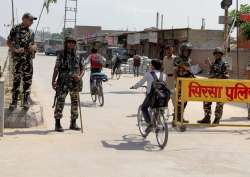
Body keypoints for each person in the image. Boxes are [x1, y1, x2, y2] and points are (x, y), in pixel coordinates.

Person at [52, 37, 85, 132]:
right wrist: (53, 81)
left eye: (73, 43)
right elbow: (56, 68)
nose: (71, 44)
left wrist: (80, 76)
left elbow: (83, 69)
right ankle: (57, 124)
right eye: (69, 42)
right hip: (63, 82)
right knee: (60, 101)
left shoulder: (78, 55)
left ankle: (73, 123)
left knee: (75, 102)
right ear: (66, 43)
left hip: (75, 83)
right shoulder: (61, 54)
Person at [7, 13, 37, 110]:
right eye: (30, 20)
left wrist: (34, 47)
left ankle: (26, 101)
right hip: (18, 60)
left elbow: (34, 44)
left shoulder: (31, 32)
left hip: (28, 60)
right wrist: (15, 50)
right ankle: (14, 101)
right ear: (24, 19)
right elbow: (8, 42)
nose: (32, 22)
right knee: (16, 81)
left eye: (33, 20)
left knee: (27, 81)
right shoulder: (15, 29)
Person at [131, 59, 167, 131]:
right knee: (157, 107)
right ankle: (156, 121)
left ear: (153, 66)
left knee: (144, 108)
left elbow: (141, 83)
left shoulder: (148, 73)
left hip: (151, 95)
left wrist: (134, 87)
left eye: (151, 64)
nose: (150, 66)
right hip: (162, 95)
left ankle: (150, 124)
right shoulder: (164, 75)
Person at [197, 47, 229, 125]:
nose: (217, 55)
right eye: (216, 54)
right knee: (206, 101)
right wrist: (210, 64)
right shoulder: (214, 63)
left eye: (219, 54)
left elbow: (226, 75)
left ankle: (217, 119)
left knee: (219, 104)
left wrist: (216, 77)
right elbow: (213, 71)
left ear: (221, 55)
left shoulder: (224, 63)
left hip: (220, 87)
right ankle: (207, 117)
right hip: (211, 86)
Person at [174, 42, 195, 123]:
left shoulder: (188, 60)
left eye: (188, 51)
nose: (186, 52)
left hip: (187, 83)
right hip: (180, 82)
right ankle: (176, 117)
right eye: (185, 51)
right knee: (179, 100)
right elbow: (175, 70)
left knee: (185, 101)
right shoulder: (177, 59)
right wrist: (176, 81)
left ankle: (180, 116)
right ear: (182, 51)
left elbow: (189, 71)